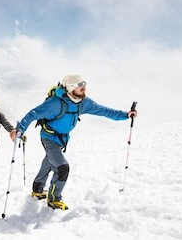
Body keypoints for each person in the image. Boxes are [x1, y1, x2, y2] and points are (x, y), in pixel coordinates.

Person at [17, 74, 138, 210]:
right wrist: (20, 129)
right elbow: (33, 113)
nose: (83, 88)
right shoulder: (55, 103)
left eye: (84, 85)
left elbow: (103, 111)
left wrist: (125, 115)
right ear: (70, 88)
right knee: (62, 167)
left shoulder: (84, 102)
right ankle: (54, 199)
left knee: (50, 162)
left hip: (62, 139)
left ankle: (37, 189)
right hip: (49, 137)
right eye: (80, 86)